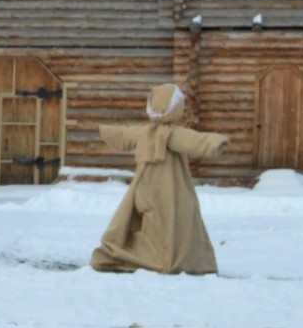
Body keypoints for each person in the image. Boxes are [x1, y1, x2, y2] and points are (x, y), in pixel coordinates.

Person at [92, 83, 229, 275]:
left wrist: (105, 130)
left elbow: (124, 134)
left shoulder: (145, 132)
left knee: (149, 222)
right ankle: (167, 259)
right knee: (171, 222)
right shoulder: (171, 134)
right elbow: (195, 140)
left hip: (144, 184)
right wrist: (216, 142)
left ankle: (150, 255)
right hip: (170, 188)